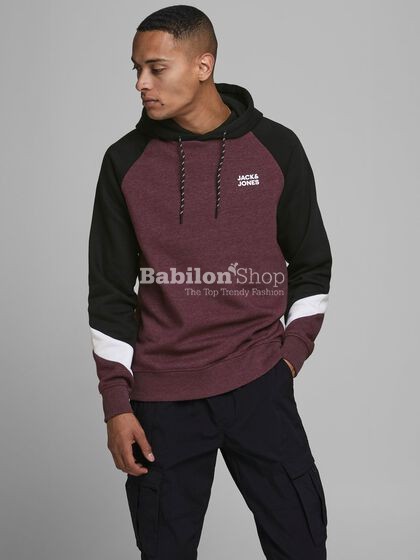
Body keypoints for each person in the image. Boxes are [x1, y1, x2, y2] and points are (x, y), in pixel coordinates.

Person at [87, 5, 332, 559]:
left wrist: (289, 357)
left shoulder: (277, 148)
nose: (141, 83)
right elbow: (109, 293)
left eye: (156, 68)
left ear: (204, 65)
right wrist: (116, 405)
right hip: (161, 400)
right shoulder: (124, 161)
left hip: (259, 383)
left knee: (301, 545)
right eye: (136, 69)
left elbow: (312, 264)